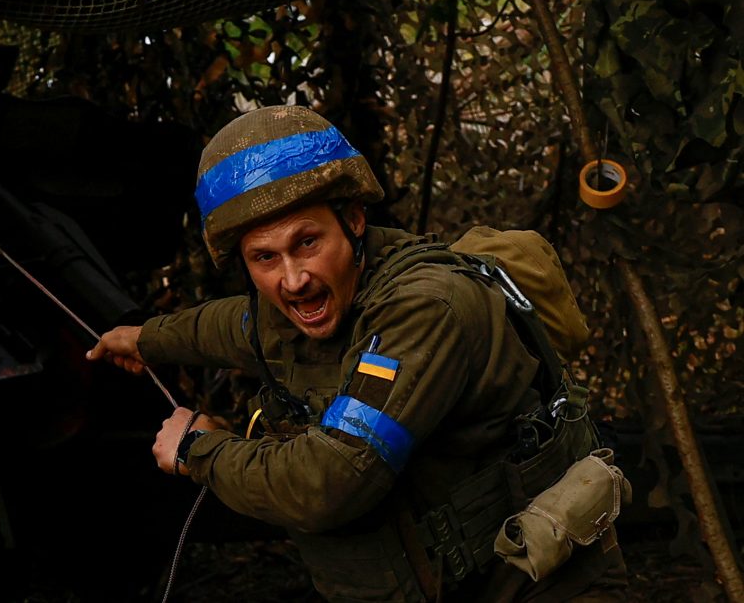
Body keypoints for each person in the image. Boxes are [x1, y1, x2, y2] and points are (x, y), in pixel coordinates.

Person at [87, 105, 626, 601]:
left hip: (534, 585)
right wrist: (145, 338)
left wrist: (200, 450)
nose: (293, 280)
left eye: (307, 242)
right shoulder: (305, 298)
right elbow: (231, 326)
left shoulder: (425, 309)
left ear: (354, 221)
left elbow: (330, 481)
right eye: (264, 257)